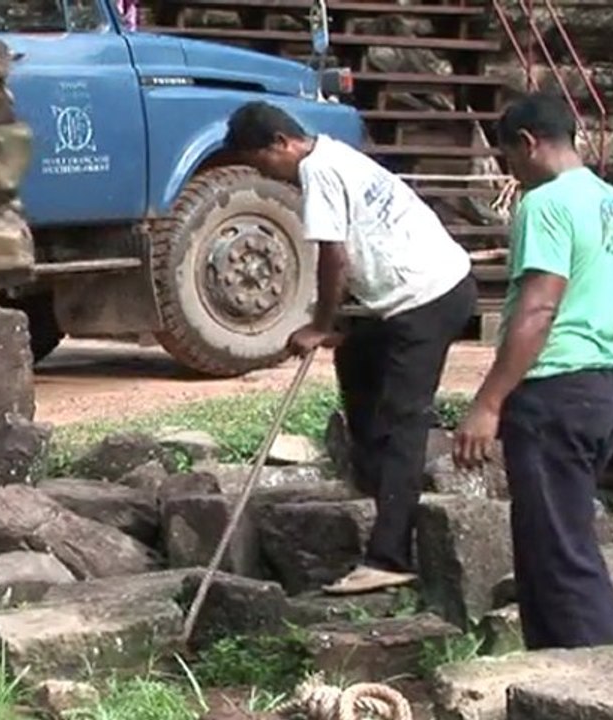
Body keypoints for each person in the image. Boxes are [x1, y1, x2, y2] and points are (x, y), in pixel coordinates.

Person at [224, 101, 477, 595]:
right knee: (357, 363)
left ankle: (389, 556)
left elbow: (334, 256)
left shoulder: (317, 170)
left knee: (405, 420)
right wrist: (341, 329)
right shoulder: (334, 156)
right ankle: (378, 490)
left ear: (281, 144)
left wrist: (319, 325)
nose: (270, 176)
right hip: (408, 300)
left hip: (429, 298)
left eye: (263, 165)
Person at [453, 92, 613, 650]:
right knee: (556, 550)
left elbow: (539, 308)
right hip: (604, 385)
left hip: (555, 391)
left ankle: (596, 689)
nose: (513, 175)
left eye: (509, 160)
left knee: (559, 561)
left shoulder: (547, 203)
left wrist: (488, 402)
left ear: (527, 144)